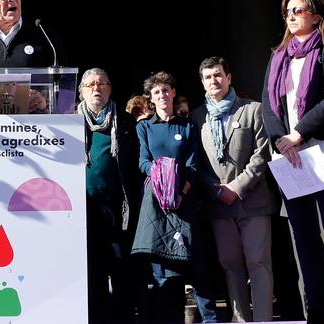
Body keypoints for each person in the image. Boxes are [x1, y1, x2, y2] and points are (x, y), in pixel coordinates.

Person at [260, 0, 324, 324]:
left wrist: (298, 133)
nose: (290, 16)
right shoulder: (278, 56)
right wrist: (280, 141)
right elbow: (269, 106)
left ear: (316, 16)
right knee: (303, 239)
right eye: (286, 11)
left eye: (297, 10)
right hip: (292, 158)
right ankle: (316, 313)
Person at [190, 56, 274, 322]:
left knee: (257, 263)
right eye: (208, 77)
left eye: (218, 75)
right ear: (202, 82)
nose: (213, 81)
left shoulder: (253, 110)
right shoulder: (196, 117)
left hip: (252, 200)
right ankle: (240, 319)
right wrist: (215, 190)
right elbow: (195, 163)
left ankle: (262, 320)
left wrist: (236, 188)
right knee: (231, 265)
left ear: (229, 78)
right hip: (218, 204)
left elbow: (262, 155)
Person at [131, 71, 218, 323]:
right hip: (156, 203)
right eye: (157, 92)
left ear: (173, 93)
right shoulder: (144, 127)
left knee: (197, 264)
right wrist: (162, 177)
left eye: (166, 90)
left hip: (184, 202)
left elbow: (192, 164)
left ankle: (211, 319)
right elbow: (143, 162)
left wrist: (180, 192)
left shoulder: (188, 125)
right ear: (151, 98)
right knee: (164, 268)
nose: (163, 95)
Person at [78, 66, 140, 324]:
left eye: (102, 84)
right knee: (92, 271)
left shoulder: (124, 123)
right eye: (90, 84)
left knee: (119, 268)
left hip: (117, 209)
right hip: (83, 210)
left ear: (110, 89)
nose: (96, 88)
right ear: (81, 91)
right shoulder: (69, 121)